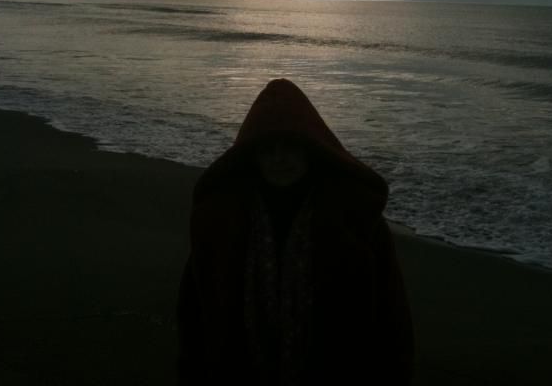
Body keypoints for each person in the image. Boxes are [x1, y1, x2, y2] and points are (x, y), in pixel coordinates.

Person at [177, 78, 414, 385]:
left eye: (290, 146)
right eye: (268, 148)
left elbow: (391, 322)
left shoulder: (357, 222)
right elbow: (195, 317)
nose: (279, 158)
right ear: (252, 154)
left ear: (310, 149)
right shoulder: (219, 222)